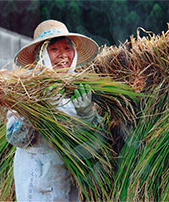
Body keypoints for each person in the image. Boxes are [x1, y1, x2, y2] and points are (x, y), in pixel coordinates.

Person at [6, 19, 100, 202]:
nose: (63, 55)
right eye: (54, 49)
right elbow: (15, 138)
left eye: (67, 48)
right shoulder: (25, 90)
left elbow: (97, 145)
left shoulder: (82, 88)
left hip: (73, 186)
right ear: (42, 55)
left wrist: (88, 115)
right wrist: (40, 109)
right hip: (38, 186)